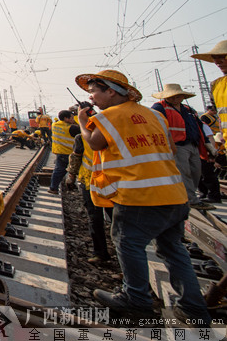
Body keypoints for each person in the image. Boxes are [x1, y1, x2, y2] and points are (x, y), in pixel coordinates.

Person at [75, 69, 210, 326]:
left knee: (128, 244)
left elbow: (94, 143)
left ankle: (136, 299)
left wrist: (83, 121)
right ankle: (193, 308)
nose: (91, 98)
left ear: (111, 91)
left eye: (94, 91)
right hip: (173, 193)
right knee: (173, 249)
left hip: (139, 195)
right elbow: (170, 148)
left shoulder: (109, 117)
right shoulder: (155, 115)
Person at [150, 83, 209, 208]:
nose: (174, 99)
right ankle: (190, 200)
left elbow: (198, 126)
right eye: (171, 96)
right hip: (177, 145)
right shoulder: (159, 108)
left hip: (193, 144)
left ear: (182, 97)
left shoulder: (188, 110)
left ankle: (188, 195)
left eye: (177, 96)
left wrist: (207, 143)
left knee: (196, 171)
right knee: (184, 172)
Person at [65, 124, 110, 265]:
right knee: (102, 219)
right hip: (105, 182)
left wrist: (71, 175)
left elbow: (76, 157)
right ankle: (102, 253)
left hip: (94, 182)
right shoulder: (110, 131)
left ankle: (101, 253)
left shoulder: (83, 137)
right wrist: (71, 175)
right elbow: (77, 156)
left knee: (95, 218)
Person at [48, 110, 76, 194]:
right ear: (66, 118)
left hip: (59, 152)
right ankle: (71, 185)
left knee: (58, 171)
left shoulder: (54, 125)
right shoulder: (71, 127)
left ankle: (53, 188)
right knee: (73, 170)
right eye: (71, 117)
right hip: (70, 153)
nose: (73, 119)